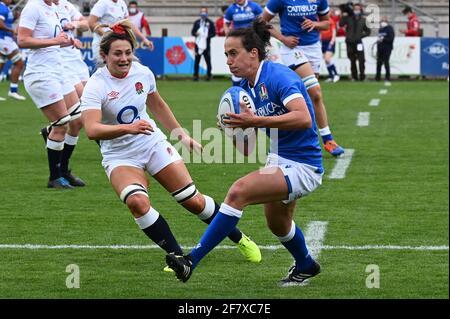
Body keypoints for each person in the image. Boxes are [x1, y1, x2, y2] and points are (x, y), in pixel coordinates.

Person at [80, 20, 261, 269]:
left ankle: (240, 238)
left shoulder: (142, 73)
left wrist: (182, 135)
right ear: (104, 55)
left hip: (151, 143)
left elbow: (157, 105)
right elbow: (92, 130)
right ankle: (178, 257)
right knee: (137, 203)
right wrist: (128, 128)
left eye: (128, 53)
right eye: (117, 54)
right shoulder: (96, 85)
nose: (124, 59)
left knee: (192, 201)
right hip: (119, 154)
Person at [166, 20, 323, 286]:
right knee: (278, 224)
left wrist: (254, 122)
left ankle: (191, 260)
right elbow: (247, 149)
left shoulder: (278, 76)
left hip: (304, 166)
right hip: (279, 160)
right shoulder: (247, 89)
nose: (228, 60)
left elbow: (304, 118)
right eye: (226, 54)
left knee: (239, 191)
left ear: (254, 53)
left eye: (233, 53)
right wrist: (232, 130)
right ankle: (306, 264)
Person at [262, 0, 345, 157]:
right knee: (316, 91)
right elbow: (262, 21)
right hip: (292, 49)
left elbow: (327, 24)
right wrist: (282, 38)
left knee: (308, 98)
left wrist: (315, 24)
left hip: (314, 48)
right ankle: (328, 138)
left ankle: (287, 142)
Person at [18, 0, 85, 189]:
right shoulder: (33, 7)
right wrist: (55, 41)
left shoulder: (53, 8)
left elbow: (54, 42)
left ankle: (64, 171)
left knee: (78, 119)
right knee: (62, 123)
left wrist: (69, 41)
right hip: (41, 74)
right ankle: (54, 177)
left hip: (58, 72)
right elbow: (22, 40)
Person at [88, 0, 153, 66]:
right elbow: (91, 23)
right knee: (107, 73)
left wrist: (144, 39)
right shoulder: (102, 3)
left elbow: (129, 24)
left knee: (131, 67)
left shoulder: (122, 3)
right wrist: (109, 36)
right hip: (103, 47)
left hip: (120, 47)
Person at [224, 0, 263, 86]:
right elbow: (226, 23)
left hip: (253, 41)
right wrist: (228, 34)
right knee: (237, 65)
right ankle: (237, 91)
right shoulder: (231, 9)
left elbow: (263, 21)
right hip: (238, 44)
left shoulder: (254, 6)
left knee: (255, 65)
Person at [0, 0, 26, 101]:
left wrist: (15, 17)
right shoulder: (1, 7)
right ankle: (13, 91)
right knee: (19, 63)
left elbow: (6, 22)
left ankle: (13, 91)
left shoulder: (6, 8)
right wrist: (12, 30)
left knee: (1, 64)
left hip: (6, 39)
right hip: (4, 40)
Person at [339, 3, 371, 81]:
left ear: (360, 10)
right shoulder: (348, 18)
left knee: (361, 60)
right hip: (349, 42)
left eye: (358, 9)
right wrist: (343, 15)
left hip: (358, 42)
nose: (356, 10)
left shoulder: (363, 19)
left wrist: (360, 36)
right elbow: (340, 24)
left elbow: (368, 31)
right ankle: (354, 76)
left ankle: (362, 76)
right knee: (352, 60)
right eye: (355, 9)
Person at [191, 7, 215, 81]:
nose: (203, 13)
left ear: (207, 13)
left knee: (208, 60)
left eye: (204, 12)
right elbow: (192, 32)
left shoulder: (210, 22)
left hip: (206, 44)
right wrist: (196, 34)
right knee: (197, 60)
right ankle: (195, 76)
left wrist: (207, 36)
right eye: (202, 12)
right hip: (198, 44)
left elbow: (213, 33)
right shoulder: (197, 22)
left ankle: (208, 75)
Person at [320, 14, 340, 83]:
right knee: (326, 60)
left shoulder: (331, 21)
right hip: (323, 41)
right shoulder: (321, 21)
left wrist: (332, 41)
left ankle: (336, 74)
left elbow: (334, 32)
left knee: (327, 58)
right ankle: (331, 76)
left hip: (329, 41)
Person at [375, 16, 394, 83]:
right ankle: (377, 77)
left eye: (384, 21)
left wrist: (383, 39)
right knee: (378, 63)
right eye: (381, 21)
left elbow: (391, 39)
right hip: (380, 48)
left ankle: (387, 77)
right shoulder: (380, 29)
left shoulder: (390, 28)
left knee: (386, 63)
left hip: (387, 48)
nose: (382, 22)